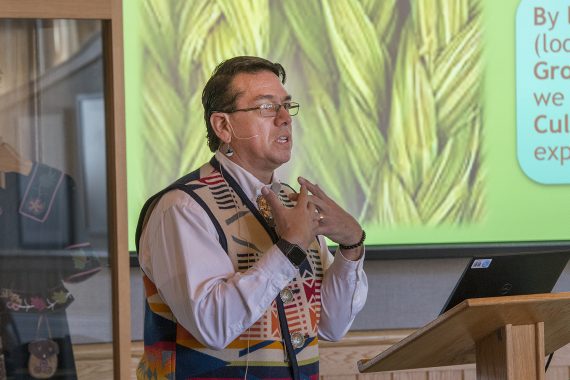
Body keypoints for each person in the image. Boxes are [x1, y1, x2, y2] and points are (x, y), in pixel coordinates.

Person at [136, 56, 368, 379]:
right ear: (223, 126)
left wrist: (351, 247)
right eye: (266, 107)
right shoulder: (181, 208)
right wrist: (289, 248)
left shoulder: (293, 202)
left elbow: (331, 325)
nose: (285, 118)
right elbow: (214, 326)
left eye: (287, 106)